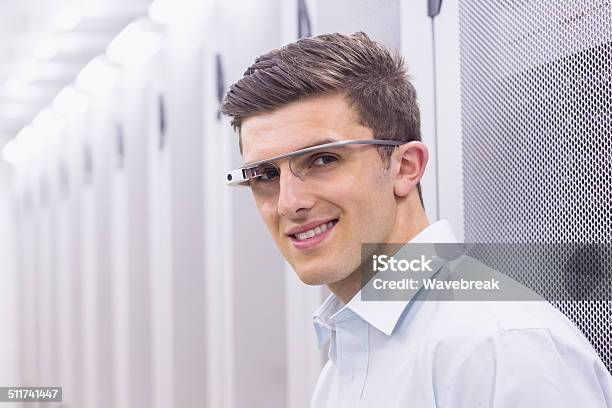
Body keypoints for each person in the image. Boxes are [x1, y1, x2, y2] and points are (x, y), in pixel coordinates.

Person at [221, 32, 612, 407]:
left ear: (405, 167)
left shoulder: (499, 347)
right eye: (266, 175)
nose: (289, 203)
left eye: (324, 159)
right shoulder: (349, 356)